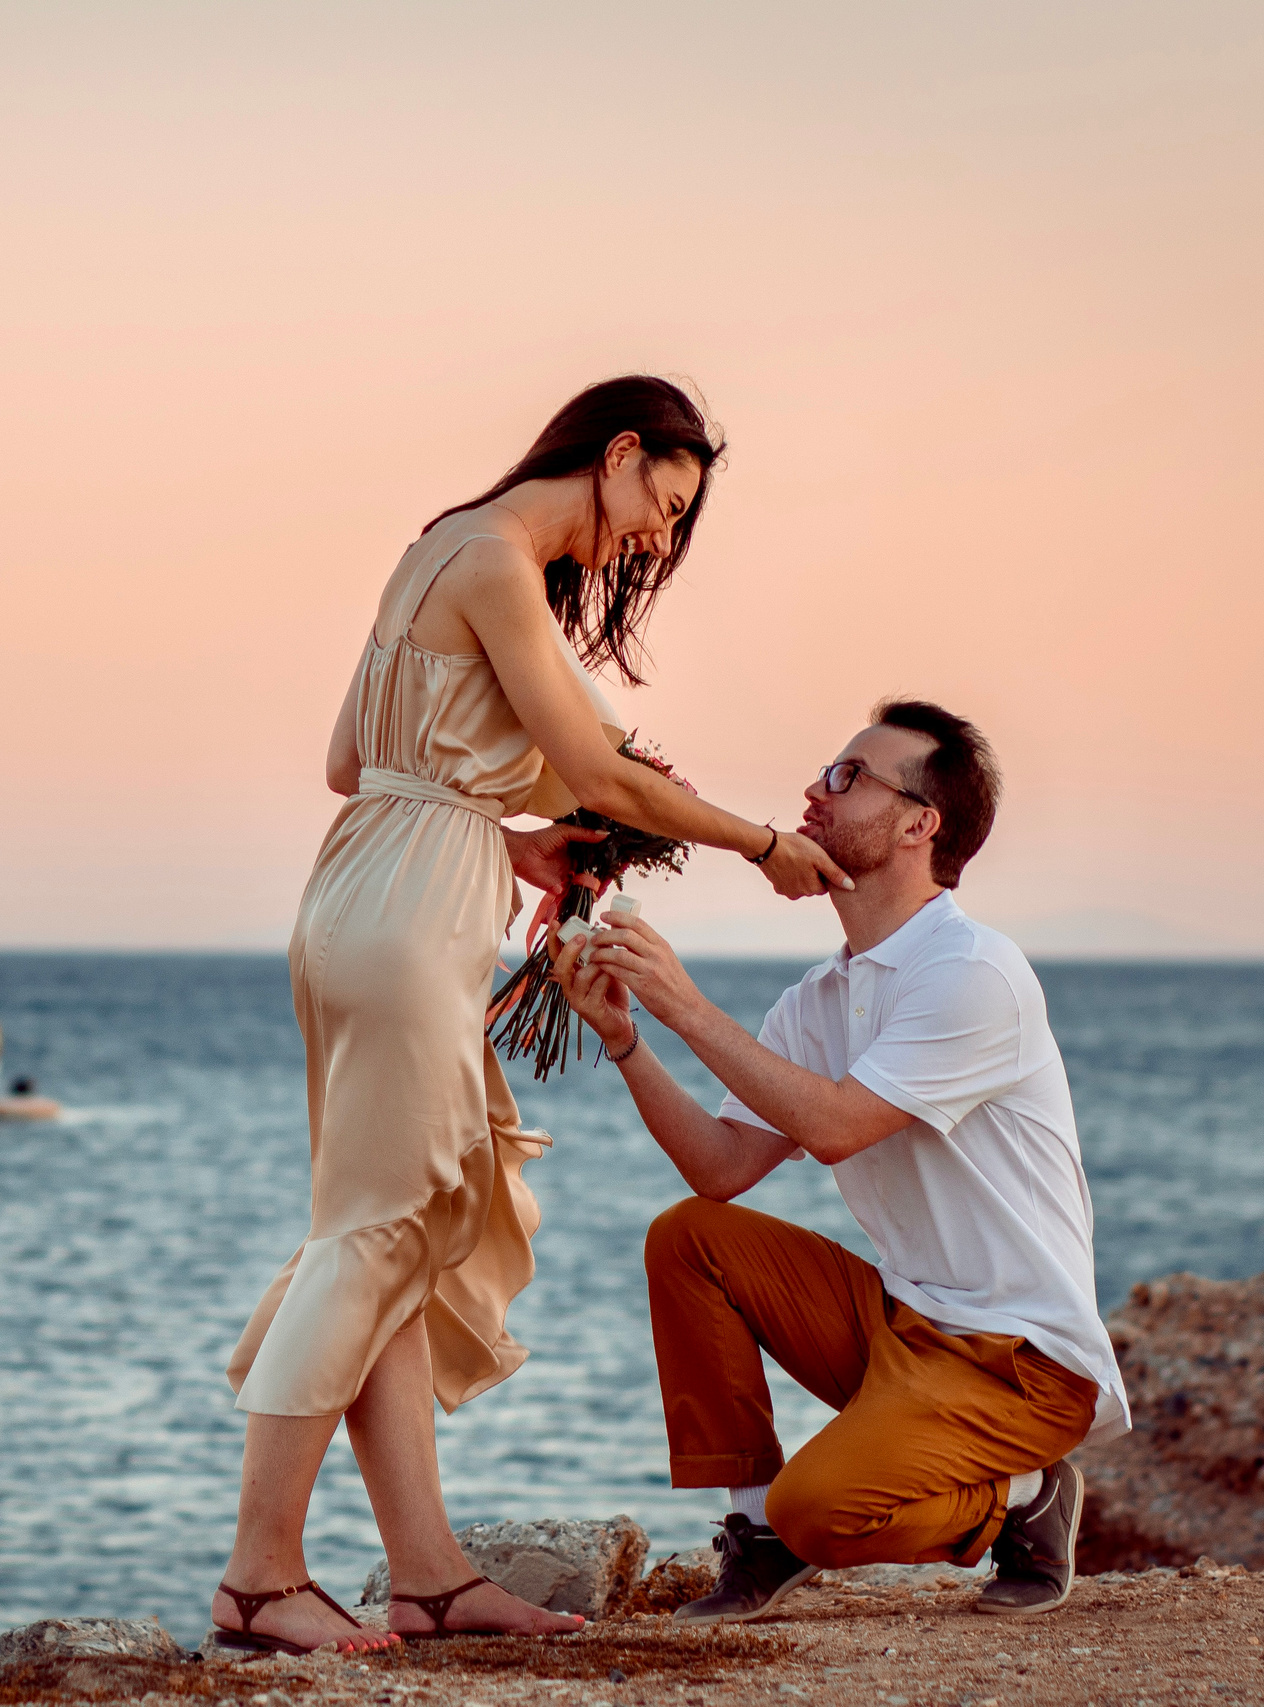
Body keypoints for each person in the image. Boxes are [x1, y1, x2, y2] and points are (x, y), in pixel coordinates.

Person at [210, 377, 853, 1656]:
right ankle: (256, 1579)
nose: (655, 542)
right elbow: (606, 765)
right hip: (402, 921)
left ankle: (432, 1581)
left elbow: (355, 762)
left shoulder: (433, 550)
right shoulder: (497, 559)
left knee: (388, 1238)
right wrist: (759, 842)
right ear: (616, 455)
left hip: (364, 886)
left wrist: (498, 839)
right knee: (377, 1234)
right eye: (661, 505)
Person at [554, 699, 1131, 1624]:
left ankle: (1027, 1497)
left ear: (918, 824)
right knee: (690, 1236)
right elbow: (722, 1167)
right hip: (902, 1325)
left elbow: (836, 1128)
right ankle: (754, 1542)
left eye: (849, 776)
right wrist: (628, 1038)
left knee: (821, 1511)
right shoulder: (823, 995)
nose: (816, 793)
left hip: (1021, 1362)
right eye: (828, 771)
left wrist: (687, 1005)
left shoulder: (973, 974)